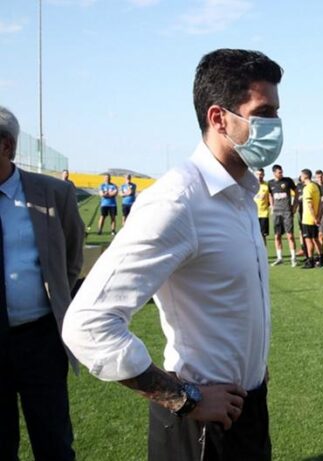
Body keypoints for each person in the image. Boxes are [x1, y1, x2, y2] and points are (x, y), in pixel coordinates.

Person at [63, 48, 283, 460]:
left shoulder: (241, 194)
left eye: (276, 113)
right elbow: (87, 323)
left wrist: (253, 367)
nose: (275, 126)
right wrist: (184, 398)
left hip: (247, 407)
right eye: (263, 112)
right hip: (200, 425)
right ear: (219, 118)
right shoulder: (178, 200)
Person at [0, 105, 84, 461]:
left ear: (6, 146)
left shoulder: (53, 194)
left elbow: (72, 257)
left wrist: (55, 296)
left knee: (53, 442)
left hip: (41, 340)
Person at [268, 164, 298, 266]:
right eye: (279, 172)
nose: (281, 174)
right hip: (276, 212)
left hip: (287, 212)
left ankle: (293, 258)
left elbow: (297, 192)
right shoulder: (270, 183)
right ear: (274, 173)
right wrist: (272, 206)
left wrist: (294, 205)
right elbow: (270, 194)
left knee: (290, 235)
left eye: (282, 172)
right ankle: (279, 258)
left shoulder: (288, 181)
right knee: (277, 236)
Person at [300, 169, 322, 268]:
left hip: (308, 219)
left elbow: (309, 205)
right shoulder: (315, 186)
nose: (300, 177)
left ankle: (310, 260)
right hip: (314, 217)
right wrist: (318, 216)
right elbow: (320, 203)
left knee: (308, 240)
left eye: (301, 175)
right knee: (316, 239)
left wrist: (314, 217)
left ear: (305, 176)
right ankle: (321, 259)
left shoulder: (307, 188)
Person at [254, 167, 270, 244]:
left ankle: (264, 250)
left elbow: (270, 198)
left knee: (263, 235)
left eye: (261, 174)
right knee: (253, 235)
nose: (259, 176)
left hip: (264, 214)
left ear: (264, 175)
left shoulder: (267, 185)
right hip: (253, 214)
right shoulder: (251, 185)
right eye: (258, 174)